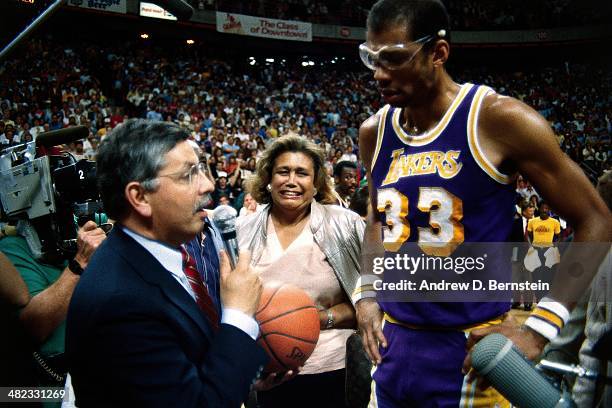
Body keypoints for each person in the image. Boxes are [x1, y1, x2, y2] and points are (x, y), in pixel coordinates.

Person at [353, 0, 612, 406]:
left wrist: (540, 328)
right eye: (372, 59)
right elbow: (375, 214)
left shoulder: (497, 119)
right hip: (394, 345)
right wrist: (367, 291)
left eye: (395, 59)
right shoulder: (374, 131)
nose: (380, 74)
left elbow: (596, 219)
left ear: (438, 53)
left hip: (471, 351)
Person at [65, 119, 268, 407]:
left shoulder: (151, 259)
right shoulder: (121, 303)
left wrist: (240, 371)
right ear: (140, 197)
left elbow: (179, 371)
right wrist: (239, 316)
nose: (208, 185)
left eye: (203, 170)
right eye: (188, 175)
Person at [237, 135, 364, 407]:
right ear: (269, 179)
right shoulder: (243, 230)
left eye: (302, 173)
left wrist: (317, 319)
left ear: (316, 183)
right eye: (283, 171)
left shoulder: (346, 225)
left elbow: (371, 299)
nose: (291, 180)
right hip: (266, 370)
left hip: (332, 368)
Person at [0, 218, 106, 395]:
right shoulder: (12, 246)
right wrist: (80, 263)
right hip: (55, 386)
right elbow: (32, 323)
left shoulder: (93, 227)